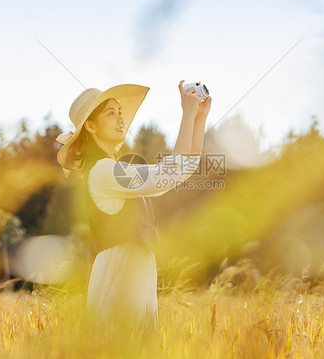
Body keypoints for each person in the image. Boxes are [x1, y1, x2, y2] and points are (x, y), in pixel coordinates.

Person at [55, 80, 212, 341]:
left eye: (120, 112)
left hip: (133, 269)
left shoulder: (109, 168)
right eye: (110, 113)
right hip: (120, 271)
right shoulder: (103, 171)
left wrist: (199, 118)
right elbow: (168, 174)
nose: (120, 119)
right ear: (90, 126)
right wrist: (187, 113)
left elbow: (180, 170)